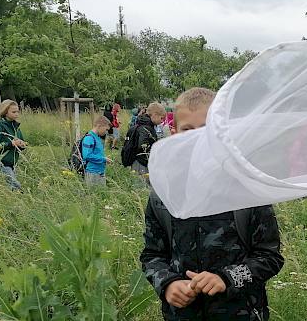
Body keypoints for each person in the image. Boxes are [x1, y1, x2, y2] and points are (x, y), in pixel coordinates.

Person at [141, 87, 284, 320]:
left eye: (206, 130)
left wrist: (225, 278)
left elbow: (269, 257)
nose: (196, 138)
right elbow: (152, 255)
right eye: (187, 130)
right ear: (173, 133)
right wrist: (167, 284)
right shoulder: (164, 194)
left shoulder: (246, 190)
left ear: (220, 132)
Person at [0, 100, 27, 191]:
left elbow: (21, 142)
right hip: (2, 161)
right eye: (13, 112)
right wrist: (10, 144)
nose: (16, 114)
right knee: (15, 185)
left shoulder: (15, 127)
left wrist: (22, 144)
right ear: (5, 112)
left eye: (17, 111)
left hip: (12, 163)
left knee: (9, 186)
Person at [129, 102, 165, 176]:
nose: (162, 121)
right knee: (142, 185)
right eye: (161, 118)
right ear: (154, 114)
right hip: (141, 163)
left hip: (141, 162)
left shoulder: (146, 125)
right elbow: (142, 145)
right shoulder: (145, 127)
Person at [81, 115, 112, 186]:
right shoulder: (89, 138)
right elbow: (86, 155)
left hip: (100, 172)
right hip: (93, 174)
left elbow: (96, 153)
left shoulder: (97, 137)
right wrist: (103, 159)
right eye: (106, 129)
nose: (106, 132)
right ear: (99, 125)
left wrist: (104, 158)